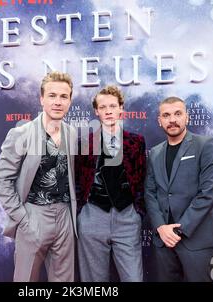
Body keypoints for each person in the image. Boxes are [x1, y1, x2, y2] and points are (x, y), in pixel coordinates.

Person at [0, 71, 78, 282]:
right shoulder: (21, 133)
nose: (57, 102)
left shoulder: (74, 134)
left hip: (66, 217)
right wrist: (23, 219)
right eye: (52, 95)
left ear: (70, 101)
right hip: (33, 215)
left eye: (63, 96)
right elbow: (2, 182)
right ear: (41, 99)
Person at [145, 96, 213, 282]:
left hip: (196, 240)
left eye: (178, 114)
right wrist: (161, 228)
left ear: (187, 117)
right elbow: (150, 193)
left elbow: (207, 193)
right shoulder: (155, 152)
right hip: (164, 241)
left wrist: (178, 230)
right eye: (166, 115)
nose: (172, 119)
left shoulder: (205, 145)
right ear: (160, 120)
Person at [75, 85, 146, 282]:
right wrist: (82, 213)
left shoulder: (136, 142)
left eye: (113, 106)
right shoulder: (84, 143)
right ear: (96, 111)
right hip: (93, 216)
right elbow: (77, 181)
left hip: (127, 216)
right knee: (94, 282)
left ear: (121, 109)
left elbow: (142, 179)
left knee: (133, 278)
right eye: (103, 107)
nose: (108, 111)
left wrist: (138, 212)